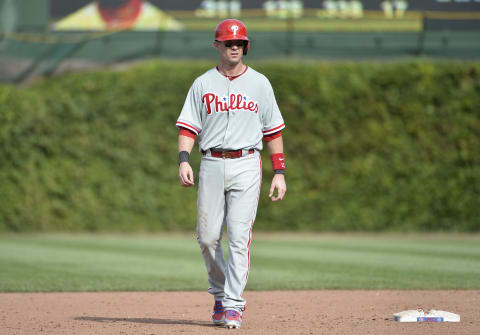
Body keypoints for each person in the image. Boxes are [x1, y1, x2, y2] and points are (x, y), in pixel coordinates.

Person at [175, 18, 287, 329]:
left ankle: (234, 304)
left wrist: (279, 172)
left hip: (247, 164)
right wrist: (184, 159)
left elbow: (273, 131)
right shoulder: (202, 84)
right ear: (217, 46)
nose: (234, 47)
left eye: (239, 43)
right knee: (208, 238)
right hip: (211, 162)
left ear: (245, 46)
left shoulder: (260, 84)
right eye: (228, 42)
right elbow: (187, 127)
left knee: (239, 238)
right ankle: (222, 295)